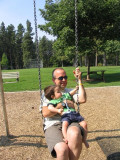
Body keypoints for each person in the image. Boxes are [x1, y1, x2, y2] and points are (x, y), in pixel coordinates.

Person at [41, 67, 87, 160]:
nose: (64, 80)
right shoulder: (49, 93)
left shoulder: (69, 92)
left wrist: (79, 80)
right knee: (62, 150)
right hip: (53, 124)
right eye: (61, 78)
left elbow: (82, 99)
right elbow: (45, 113)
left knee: (74, 133)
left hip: (71, 121)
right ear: (54, 80)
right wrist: (62, 104)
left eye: (65, 77)